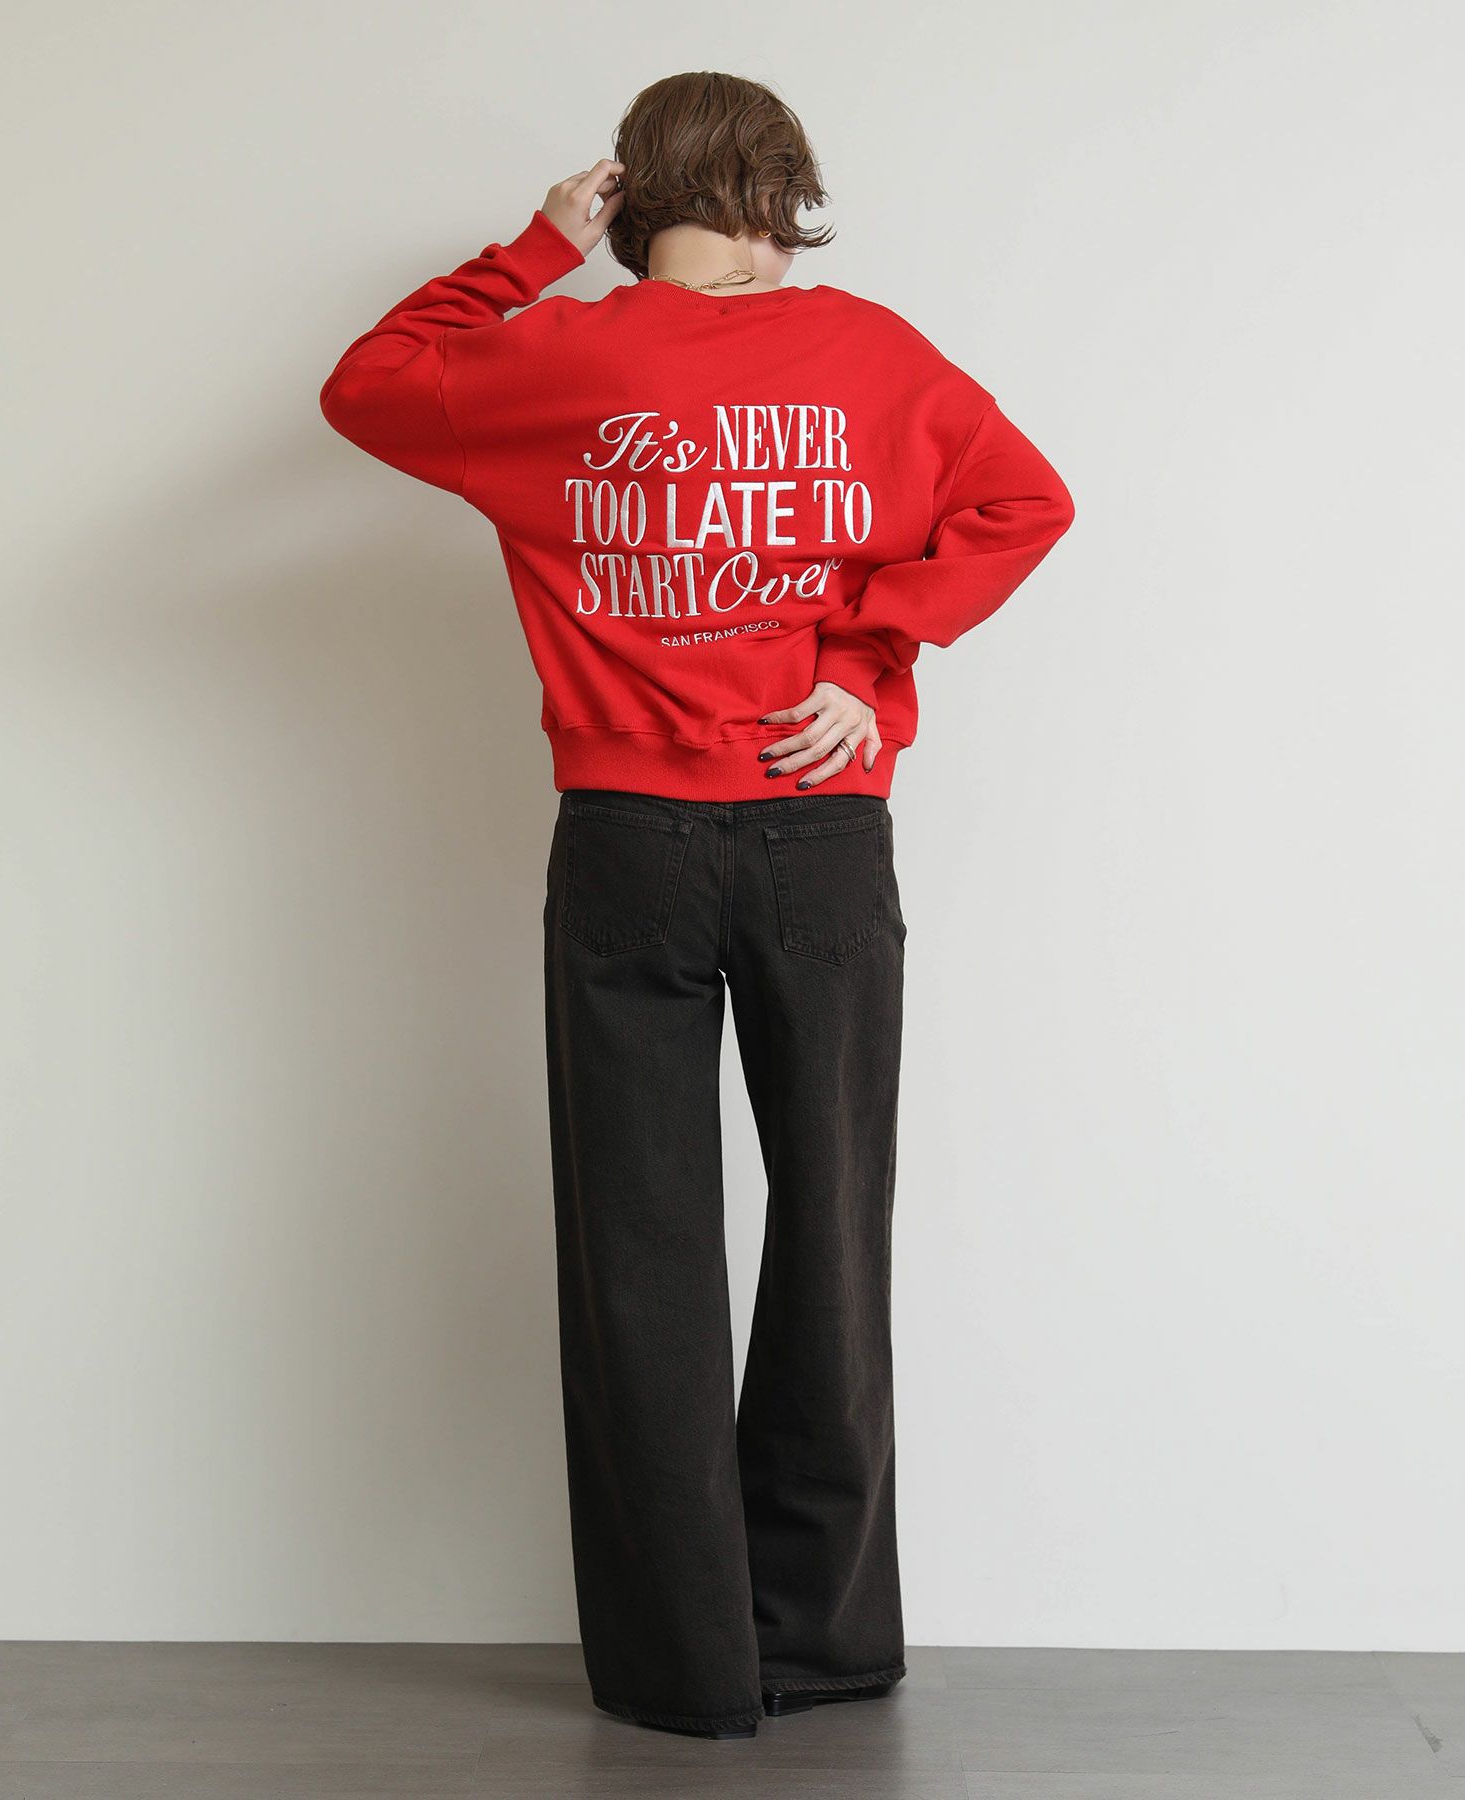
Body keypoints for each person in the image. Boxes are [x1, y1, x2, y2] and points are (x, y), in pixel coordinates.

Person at [319, 70, 1074, 1742]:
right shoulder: (871, 355)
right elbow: (1025, 502)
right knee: (832, 1228)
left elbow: (363, 387)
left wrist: (530, 252)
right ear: (777, 190)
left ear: (635, 192)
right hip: (819, 838)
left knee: (638, 1254)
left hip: (627, 843)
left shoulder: (551, 356)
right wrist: (868, 669)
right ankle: (821, 1635)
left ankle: (683, 1668)